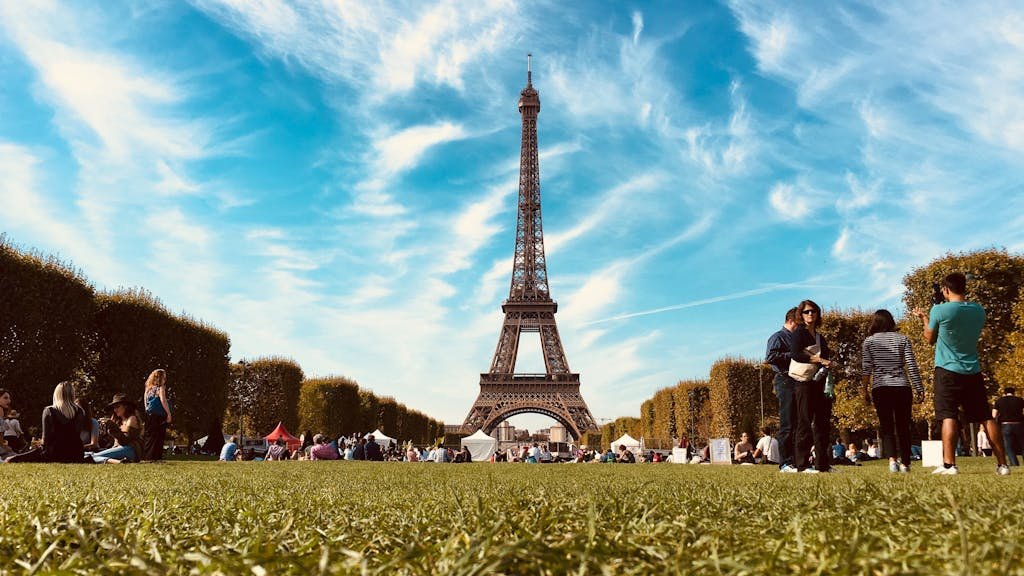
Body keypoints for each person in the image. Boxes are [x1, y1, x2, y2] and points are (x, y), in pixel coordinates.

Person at [914, 272, 1009, 475]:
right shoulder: (978, 310)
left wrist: (925, 318)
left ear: (946, 290)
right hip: (972, 369)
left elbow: (929, 338)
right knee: (985, 416)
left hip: (947, 369)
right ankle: (1002, 464)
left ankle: (949, 464)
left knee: (948, 415)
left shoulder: (939, 310)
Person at [861, 308, 925, 473]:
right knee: (904, 425)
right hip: (902, 386)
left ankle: (892, 461)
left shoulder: (869, 342)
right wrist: (919, 387)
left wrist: (864, 390)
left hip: (881, 387)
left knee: (887, 426)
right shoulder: (903, 339)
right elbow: (911, 365)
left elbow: (866, 368)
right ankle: (905, 462)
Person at [791, 300, 833, 473]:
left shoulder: (818, 336)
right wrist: (818, 359)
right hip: (803, 382)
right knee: (805, 422)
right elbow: (796, 354)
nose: (811, 314)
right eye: (807, 312)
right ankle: (802, 464)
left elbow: (826, 353)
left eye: (814, 311)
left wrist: (828, 362)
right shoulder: (799, 333)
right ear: (801, 315)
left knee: (822, 423)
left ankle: (822, 464)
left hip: (818, 381)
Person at [7, 382, 89, 463]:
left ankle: (13, 459)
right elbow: (76, 434)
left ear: (56, 394)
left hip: (55, 453)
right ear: (72, 394)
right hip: (76, 453)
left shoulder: (49, 411)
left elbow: (46, 440)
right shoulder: (80, 411)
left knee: (20, 458)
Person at [766, 307, 799, 472]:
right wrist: (792, 354)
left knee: (798, 422)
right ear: (791, 321)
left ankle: (796, 460)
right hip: (785, 379)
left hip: (797, 379)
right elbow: (770, 358)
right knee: (787, 422)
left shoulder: (794, 338)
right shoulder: (778, 337)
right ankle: (785, 462)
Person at [89, 394, 142, 464]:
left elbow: (125, 441)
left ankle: (117, 461)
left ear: (126, 406)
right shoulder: (117, 420)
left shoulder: (131, 418)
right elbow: (113, 441)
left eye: (117, 406)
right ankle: (120, 462)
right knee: (87, 455)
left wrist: (112, 426)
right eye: (114, 408)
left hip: (131, 450)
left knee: (91, 457)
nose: (115, 410)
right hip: (118, 449)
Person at [141, 369, 173, 461]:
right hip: (158, 414)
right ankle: (156, 457)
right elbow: (163, 400)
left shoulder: (148, 388)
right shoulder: (160, 387)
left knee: (149, 437)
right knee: (158, 436)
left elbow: (145, 402)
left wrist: (147, 411)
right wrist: (168, 413)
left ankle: (147, 457)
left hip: (149, 414)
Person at [994, 387, 1024, 466]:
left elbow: (994, 414)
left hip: (1005, 424)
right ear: (1014, 392)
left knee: (1008, 446)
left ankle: (1014, 463)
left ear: (1004, 393)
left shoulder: (999, 401)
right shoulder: (1020, 400)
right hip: (1019, 424)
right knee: (1022, 444)